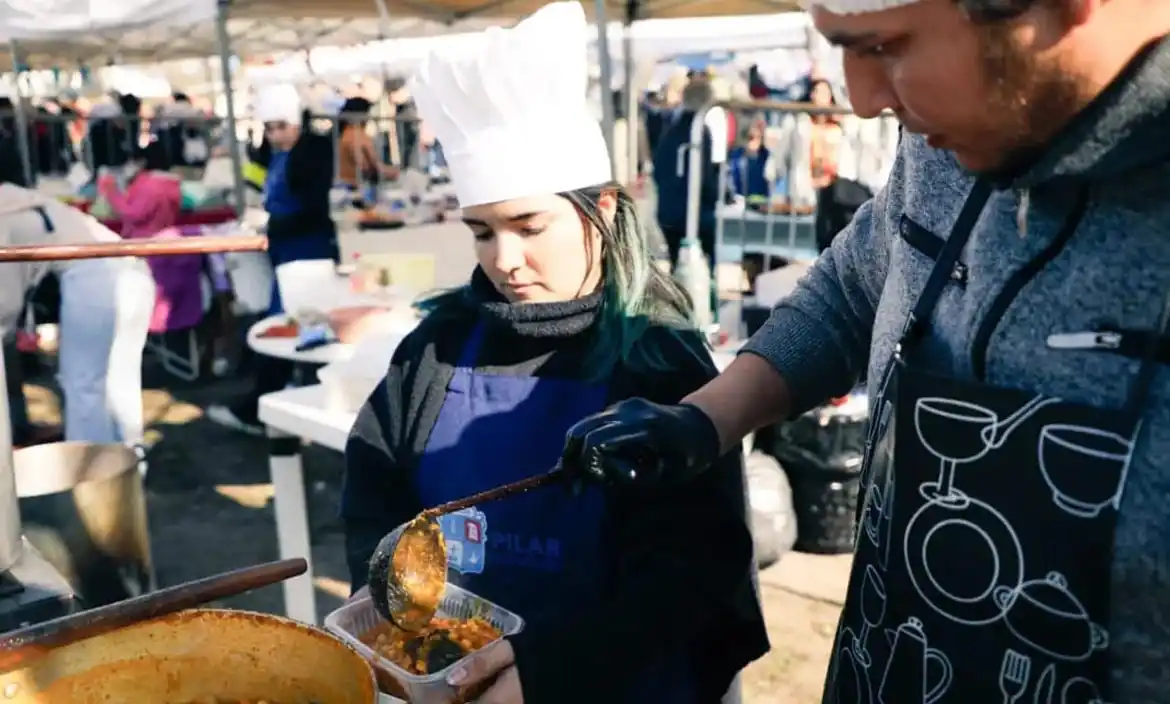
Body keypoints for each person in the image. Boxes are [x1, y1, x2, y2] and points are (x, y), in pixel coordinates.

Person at [559, 0, 1170, 702]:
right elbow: (854, 289)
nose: (861, 100)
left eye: (884, 45)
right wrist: (710, 416)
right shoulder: (945, 147)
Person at [341, 4, 768, 703]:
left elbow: (691, 584)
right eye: (481, 231)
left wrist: (553, 672)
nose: (504, 259)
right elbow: (375, 486)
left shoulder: (663, 366)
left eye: (528, 225)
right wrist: (388, 591)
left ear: (600, 207)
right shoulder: (437, 349)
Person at [207, 85, 336, 434]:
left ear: (296, 121)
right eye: (270, 127)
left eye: (281, 126)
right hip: (285, 247)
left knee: (294, 324)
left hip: (309, 248)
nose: (276, 134)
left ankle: (267, 404)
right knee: (295, 324)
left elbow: (312, 205)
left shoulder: (315, 151)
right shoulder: (273, 154)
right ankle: (295, 397)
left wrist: (272, 223)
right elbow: (263, 188)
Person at [0, 183, 154, 444]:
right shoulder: (14, 198)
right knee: (116, 385)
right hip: (129, 272)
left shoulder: (5, 211)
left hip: (101, 275)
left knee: (85, 386)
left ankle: (92, 472)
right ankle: (126, 468)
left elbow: (5, 307)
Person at [337, 96, 399, 202]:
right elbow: (369, 167)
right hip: (355, 189)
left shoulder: (345, 134)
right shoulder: (357, 136)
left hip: (345, 185)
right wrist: (399, 173)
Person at [806, 78, 843, 190]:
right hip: (807, 184)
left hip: (832, 186)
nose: (821, 97)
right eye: (818, 92)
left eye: (825, 93)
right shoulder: (804, 126)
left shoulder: (836, 130)